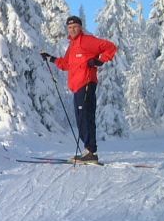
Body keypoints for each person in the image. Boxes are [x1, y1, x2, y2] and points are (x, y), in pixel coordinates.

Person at [40, 15, 117, 162]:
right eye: (70, 27)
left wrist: (99, 61)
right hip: (77, 86)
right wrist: (50, 58)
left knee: (85, 117)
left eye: (75, 26)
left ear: (80, 27)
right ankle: (89, 151)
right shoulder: (73, 45)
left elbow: (111, 47)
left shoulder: (87, 41)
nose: (72, 29)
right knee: (81, 118)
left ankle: (91, 152)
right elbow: (66, 64)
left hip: (87, 83)